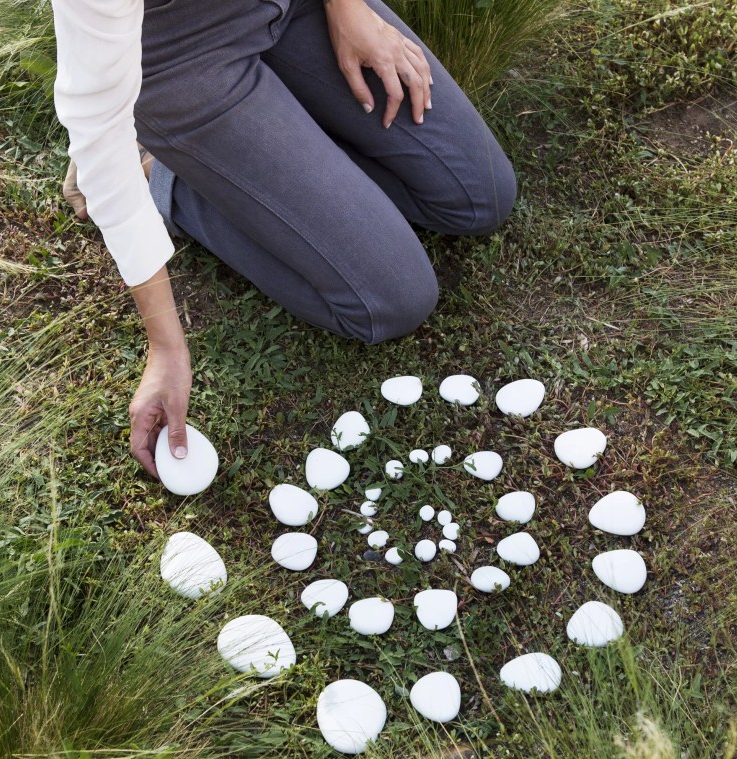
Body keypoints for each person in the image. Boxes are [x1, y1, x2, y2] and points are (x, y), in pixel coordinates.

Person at [53, 0, 516, 478]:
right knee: (391, 298)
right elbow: (98, 131)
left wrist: (347, 7)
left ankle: (277, 138)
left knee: (479, 197)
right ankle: (164, 175)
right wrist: (167, 347)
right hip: (180, 58)